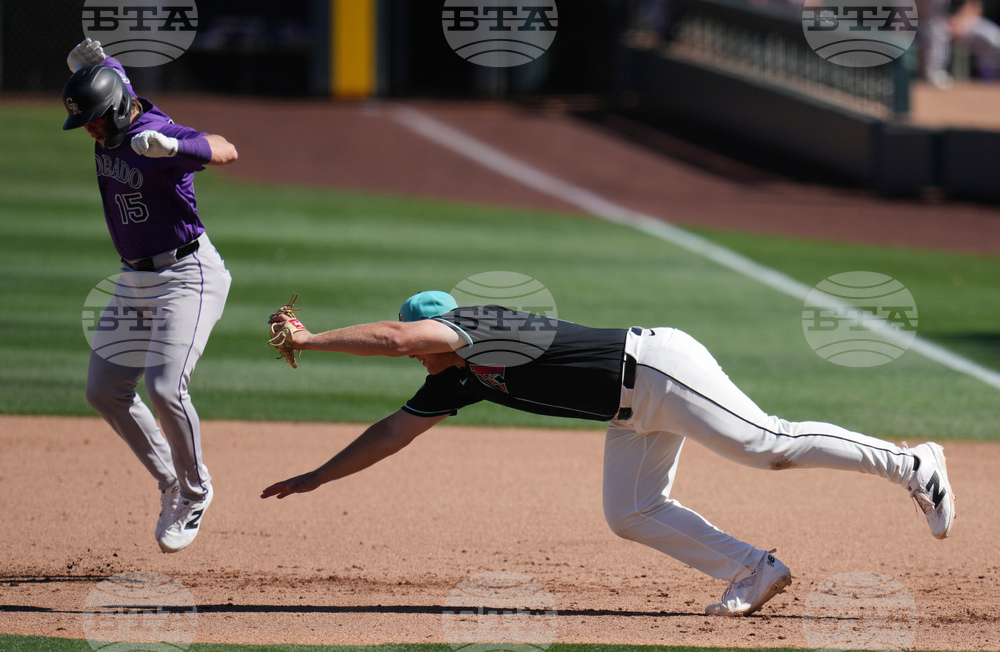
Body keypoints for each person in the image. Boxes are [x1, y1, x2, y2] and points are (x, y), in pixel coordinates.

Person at [261, 291, 956, 616]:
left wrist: (312, 340)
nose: (423, 346)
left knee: (764, 444)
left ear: (441, 328)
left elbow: (397, 337)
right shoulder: (457, 384)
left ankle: (914, 464)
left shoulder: (477, 330)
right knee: (630, 510)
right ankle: (754, 569)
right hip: (630, 408)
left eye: (427, 335)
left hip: (655, 368)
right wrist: (320, 476)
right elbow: (391, 433)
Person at [62, 38, 238, 553]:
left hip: (188, 276)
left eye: (95, 120)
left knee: (165, 388)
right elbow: (99, 68)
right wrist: (83, 60)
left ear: (117, 108)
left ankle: (196, 491)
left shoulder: (154, 132)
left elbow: (226, 148)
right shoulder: (113, 91)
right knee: (105, 390)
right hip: (134, 280)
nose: (90, 129)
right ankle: (171, 484)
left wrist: (175, 148)